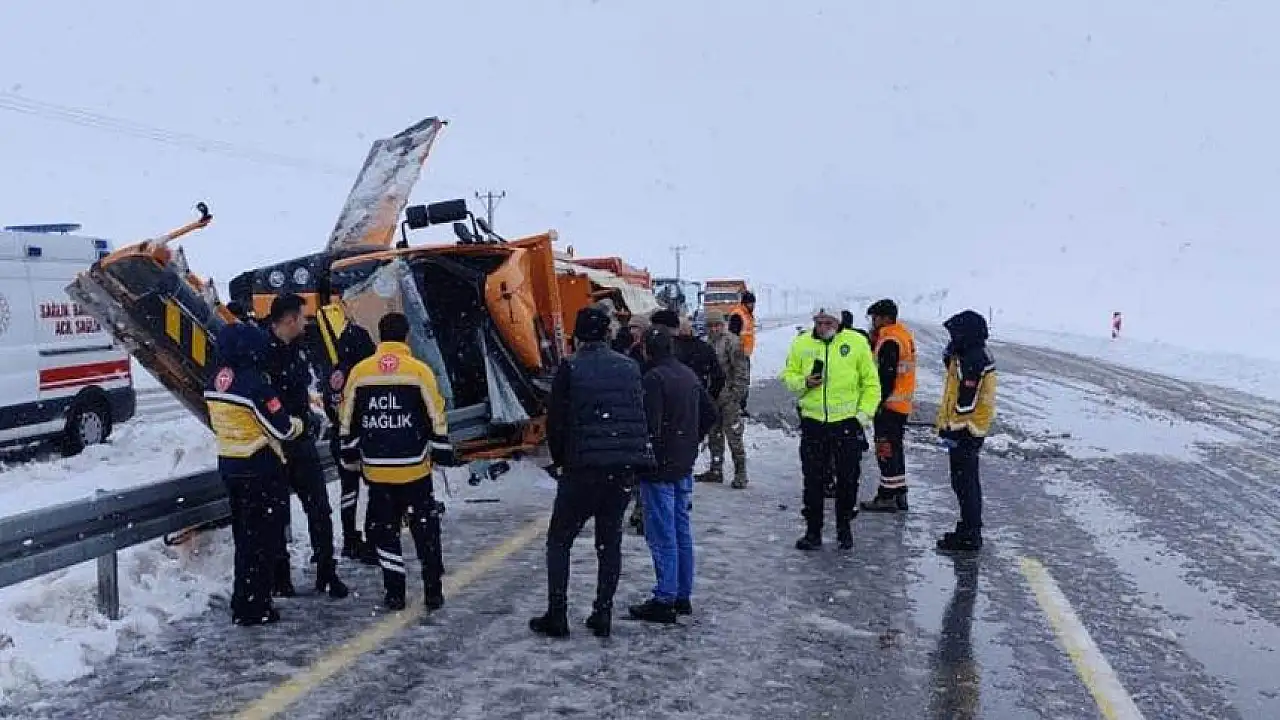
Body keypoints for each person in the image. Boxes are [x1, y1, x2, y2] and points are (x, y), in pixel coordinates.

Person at [531, 306, 654, 638]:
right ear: (607, 334)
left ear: (578, 336)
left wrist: (561, 460)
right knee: (609, 542)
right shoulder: (629, 368)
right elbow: (637, 415)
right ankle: (603, 612)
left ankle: (557, 614)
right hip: (620, 470)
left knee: (560, 540)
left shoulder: (571, 368)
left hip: (582, 469)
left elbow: (556, 421)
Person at [339, 312, 458, 610]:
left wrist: (349, 451)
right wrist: (441, 449)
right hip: (414, 469)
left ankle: (395, 593)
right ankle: (432, 590)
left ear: (379, 336)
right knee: (425, 529)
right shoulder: (419, 371)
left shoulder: (360, 372)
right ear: (406, 336)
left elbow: (347, 416)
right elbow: (436, 413)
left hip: (377, 471)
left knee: (385, 532)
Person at [204, 322, 305, 625]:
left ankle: (242, 600)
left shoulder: (215, 381)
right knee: (263, 541)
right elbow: (282, 428)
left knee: (244, 539)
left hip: (230, 466)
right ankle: (257, 606)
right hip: (260, 468)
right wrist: (300, 423)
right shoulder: (254, 385)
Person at [263, 294, 348, 599]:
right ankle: (280, 579)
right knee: (276, 514)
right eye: (301, 316)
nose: (305, 322)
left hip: (302, 443)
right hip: (274, 445)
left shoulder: (299, 347)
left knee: (319, 508)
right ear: (289, 319)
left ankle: (326, 572)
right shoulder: (262, 352)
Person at [631, 326, 717, 624]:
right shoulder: (687, 375)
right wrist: (690, 440)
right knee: (681, 530)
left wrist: (645, 458)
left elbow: (650, 427)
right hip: (683, 463)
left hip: (659, 468)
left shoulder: (653, 379)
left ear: (647, 349)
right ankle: (682, 593)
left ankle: (664, 597)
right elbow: (710, 413)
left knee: (661, 532)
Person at [781, 307, 880, 551]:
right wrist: (804, 382)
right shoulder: (802, 343)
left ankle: (844, 528)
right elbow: (788, 376)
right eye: (819, 322)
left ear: (838, 322)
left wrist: (861, 417)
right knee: (813, 480)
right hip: (813, 423)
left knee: (848, 479)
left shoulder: (855, 343)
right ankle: (813, 531)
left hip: (846, 424)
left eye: (829, 322)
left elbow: (871, 384)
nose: (823, 327)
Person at [314, 300, 378, 563]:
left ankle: (350, 539)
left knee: (348, 491)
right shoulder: (362, 373)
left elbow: (329, 404)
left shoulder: (333, 374)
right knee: (376, 489)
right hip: (362, 439)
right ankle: (373, 541)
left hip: (340, 439)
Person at [935, 310, 997, 555]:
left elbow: (965, 402)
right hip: (968, 428)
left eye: (954, 334)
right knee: (964, 482)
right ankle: (968, 528)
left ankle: (970, 533)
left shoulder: (973, 358)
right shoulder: (970, 353)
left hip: (967, 429)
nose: (952, 338)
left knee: (965, 483)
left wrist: (952, 430)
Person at [861, 299, 917, 513]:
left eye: (875, 317)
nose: (873, 322)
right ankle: (900, 492)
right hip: (900, 405)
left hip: (889, 406)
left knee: (885, 450)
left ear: (885, 318)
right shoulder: (902, 335)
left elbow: (886, 377)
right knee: (895, 449)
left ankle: (887, 496)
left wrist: (877, 402)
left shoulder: (890, 340)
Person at [697, 309, 751, 488]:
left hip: (729, 397)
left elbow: (741, 371)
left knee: (734, 435)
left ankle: (740, 473)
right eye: (710, 326)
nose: (714, 329)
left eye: (717, 325)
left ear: (723, 325)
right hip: (712, 397)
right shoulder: (706, 343)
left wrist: (737, 395)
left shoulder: (732, 342)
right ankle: (716, 469)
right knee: (714, 435)